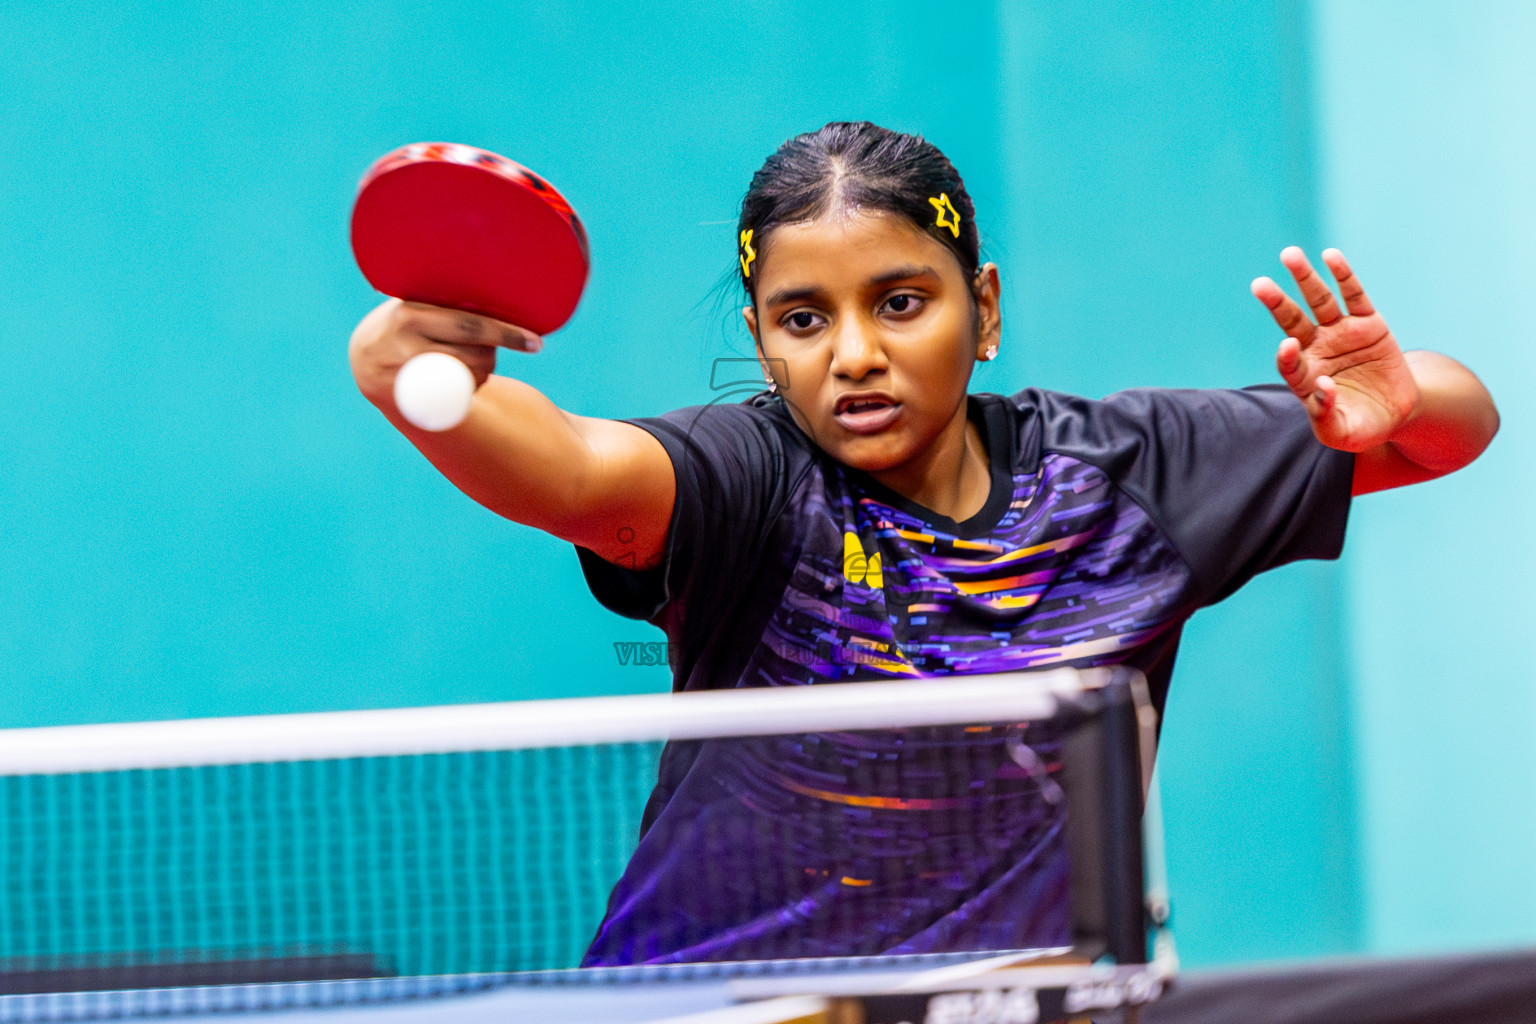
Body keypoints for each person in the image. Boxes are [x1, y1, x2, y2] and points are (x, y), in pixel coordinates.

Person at [349, 122, 1498, 965]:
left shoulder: (1121, 477)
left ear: (982, 309)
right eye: (805, 319)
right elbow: (571, 469)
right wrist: (402, 375)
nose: (854, 353)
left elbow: (1451, 421)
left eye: (901, 301)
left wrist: (1399, 401)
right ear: (761, 342)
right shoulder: (750, 485)